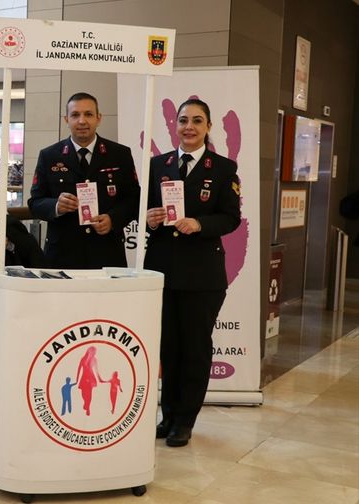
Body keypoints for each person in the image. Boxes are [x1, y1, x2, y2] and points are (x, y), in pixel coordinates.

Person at [144, 98, 241, 448]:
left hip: (202, 276)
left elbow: (230, 218)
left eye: (197, 121)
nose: (188, 127)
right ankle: (167, 415)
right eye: (183, 120)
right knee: (168, 348)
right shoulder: (158, 164)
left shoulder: (224, 168)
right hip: (162, 272)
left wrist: (199, 222)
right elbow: (144, 212)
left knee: (195, 348)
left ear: (208, 127)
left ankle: (185, 420)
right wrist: (151, 219)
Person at [28, 92, 140, 269]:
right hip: (62, 256)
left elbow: (134, 199)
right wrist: (56, 206)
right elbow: (35, 203)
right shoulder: (49, 156)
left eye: (88, 114)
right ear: (66, 119)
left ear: (98, 118)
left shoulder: (120, 154)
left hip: (107, 253)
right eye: (75, 115)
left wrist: (113, 219)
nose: (82, 121)